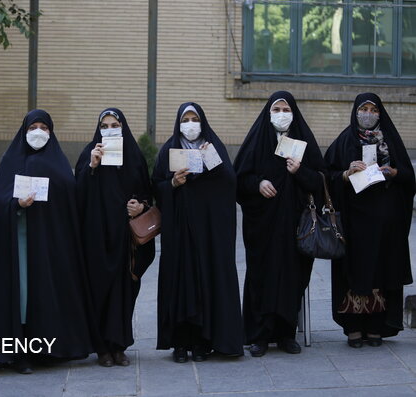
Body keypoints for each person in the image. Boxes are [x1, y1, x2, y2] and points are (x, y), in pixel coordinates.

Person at [0, 109, 96, 374]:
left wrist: (90, 170)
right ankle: (19, 352)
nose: (39, 132)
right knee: (21, 296)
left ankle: (48, 349)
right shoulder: (11, 160)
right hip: (19, 242)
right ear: (24, 130)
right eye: (34, 126)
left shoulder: (58, 164)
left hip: (51, 243)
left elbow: (73, 199)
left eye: (45, 127)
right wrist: (16, 203)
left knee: (46, 293)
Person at [234, 91, 325, 357]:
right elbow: (239, 179)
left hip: (295, 226)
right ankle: (259, 335)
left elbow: (321, 181)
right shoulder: (256, 141)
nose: (282, 115)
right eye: (277, 110)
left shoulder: (303, 141)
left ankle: (287, 333)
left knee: (292, 276)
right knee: (261, 277)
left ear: (294, 113)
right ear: (268, 113)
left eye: (286, 110)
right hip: (262, 226)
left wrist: (300, 171)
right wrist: (258, 183)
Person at [152, 102, 243, 363]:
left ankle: (204, 341)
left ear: (202, 121)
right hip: (179, 232)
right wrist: (172, 183)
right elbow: (156, 186)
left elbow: (229, 183)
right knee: (181, 282)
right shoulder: (169, 149)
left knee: (207, 280)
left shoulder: (214, 146)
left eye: (194, 118)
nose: (190, 124)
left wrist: (211, 159)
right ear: (178, 122)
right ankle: (180, 343)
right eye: (185, 119)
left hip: (209, 232)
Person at [325, 93, 414, 347]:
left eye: (372, 109)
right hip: (354, 223)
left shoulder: (391, 142)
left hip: (386, 224)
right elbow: (327, 174)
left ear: (380, 113)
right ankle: (353, 328)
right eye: (363, 108)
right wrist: (345, 174)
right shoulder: (344, 141)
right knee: (354, 273)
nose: (367, 114)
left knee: (381, 272)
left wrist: (394, 172)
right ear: (355, 112)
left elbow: (409, 177)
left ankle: (377, 327)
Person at [75, 108, 155, 367]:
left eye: (115, 124)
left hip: (125, 239)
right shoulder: (89, 155)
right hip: (97, 237)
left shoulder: (134, 156)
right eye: (105, 125)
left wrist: (140, 206)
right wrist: (92, 167)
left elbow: (146, 193)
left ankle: (119, 345)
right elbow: (78, 195)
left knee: (125, 290)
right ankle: (101, 348)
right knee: (100, 289)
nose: (110, 129)